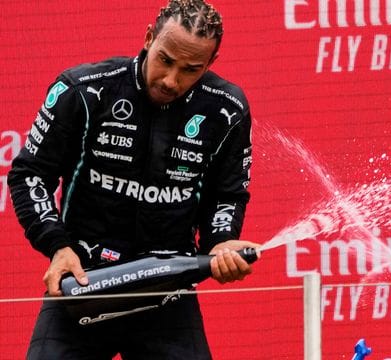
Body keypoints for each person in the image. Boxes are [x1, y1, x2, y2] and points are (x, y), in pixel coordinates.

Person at [8, 0, 259, 358]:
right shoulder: (83, 90)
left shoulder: (227, 109)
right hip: (82, 283)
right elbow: (29, 173)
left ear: (210, 64)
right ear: (148, 38)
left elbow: (228, 194)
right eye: (165, 60)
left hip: (168, 294)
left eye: (191, 69)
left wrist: (221, 243)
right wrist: (57, 246)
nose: (171, 80)